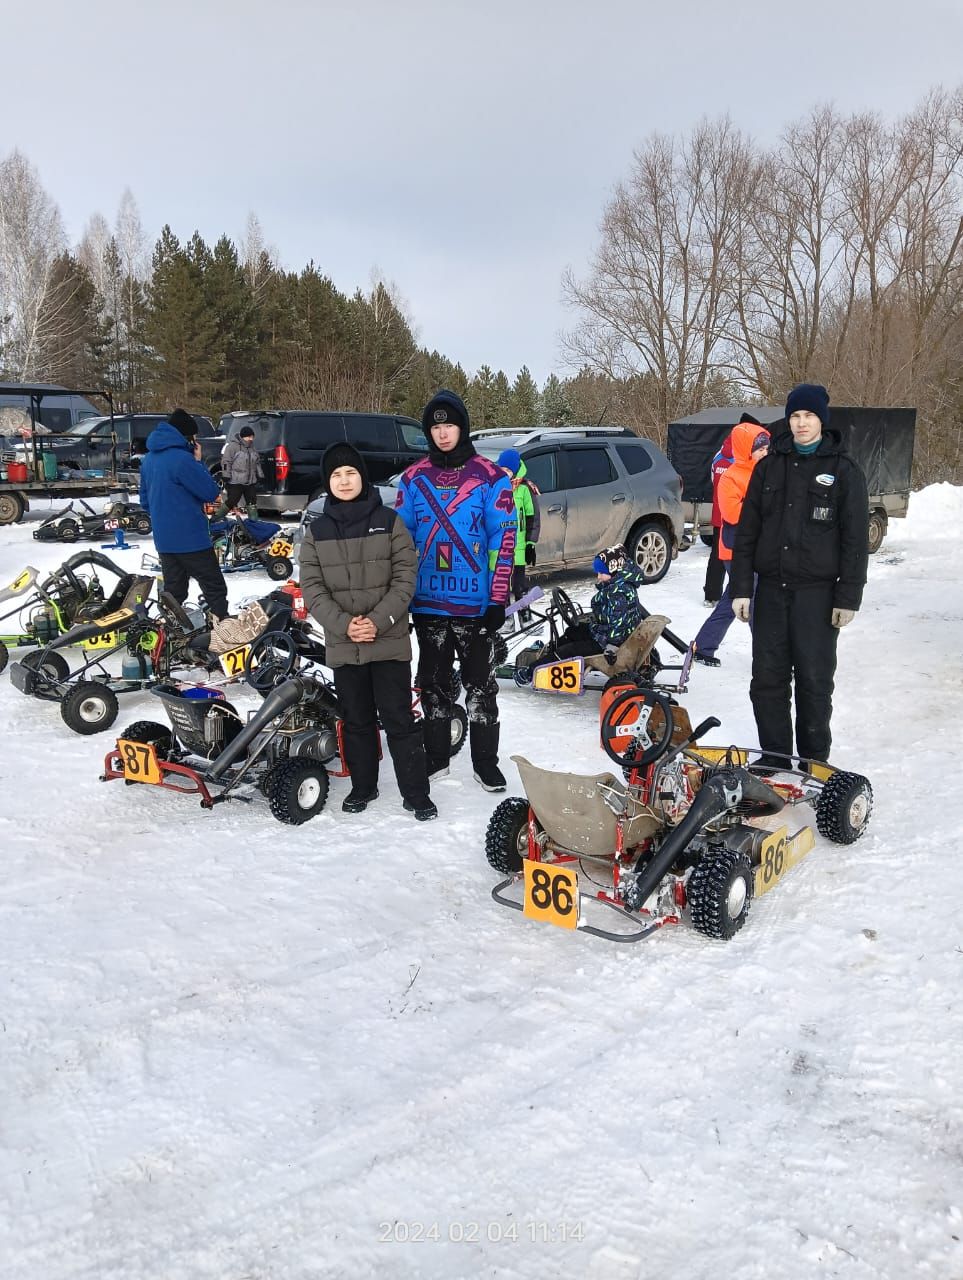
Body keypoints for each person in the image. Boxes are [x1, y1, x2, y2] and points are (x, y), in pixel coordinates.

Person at [730, 383, 869, 769]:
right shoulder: (769, 466)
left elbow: (854, 541)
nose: (801, 423)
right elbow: (748, 532)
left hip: (818, 596)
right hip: (772, 592)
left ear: (821, 420)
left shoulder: (844, 471)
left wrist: (848, 597)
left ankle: (813, 762)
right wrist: (741, 587)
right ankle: (775, 760)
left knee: (814, 681)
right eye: (795, 416)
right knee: (767, 681)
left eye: (808, 416)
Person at [299, 443, 436, 820]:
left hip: (388, 642)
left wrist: (377, 621)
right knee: (356, 721)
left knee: (399, 720)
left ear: (362, 477)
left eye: (351, 473)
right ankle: (363, 786)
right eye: (336, 475)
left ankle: (415, 792)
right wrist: (345, 625)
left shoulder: (390, 522)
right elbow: (312, 588)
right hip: (345, 645)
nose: (344, 481)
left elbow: (405, 578)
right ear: (328, 482)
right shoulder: (317, 531)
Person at [395, 389, 516, 791]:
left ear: (462, 426)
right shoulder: (412, 480)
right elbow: (399, 541)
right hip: (427, 603)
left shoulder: (492, 477)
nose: (442, 433)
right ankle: (437, 756)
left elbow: (505, 540)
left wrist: (498, 598)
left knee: (480, 684)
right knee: (432, 682)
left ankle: (485, 761)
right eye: (435, 426)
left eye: (449, 424)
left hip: (476, 606)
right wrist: (401, 596)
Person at [138, 408, 231, 621]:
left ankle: (170, 632)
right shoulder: (183, 460)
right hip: (191, 539)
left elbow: (145, 502)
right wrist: (198, 462)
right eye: (194, 438)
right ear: (187, 438)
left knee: (174, 591)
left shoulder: (149, 459)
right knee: (214, 586)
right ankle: (221, 628)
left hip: (164, 540)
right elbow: (210, 492)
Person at [692, 423, 770, 666]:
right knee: (754, 598)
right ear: (746, 449)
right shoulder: (731, 477)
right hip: (735, 550)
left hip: (756, 547)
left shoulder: (764, 471)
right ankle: (767, 659)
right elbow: (733, 514)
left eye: (767, 448)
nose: (764, 452)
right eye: (759, 449)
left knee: (732, 599)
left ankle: (703, 646)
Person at [554, 544, 649, 662]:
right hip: (606, 631)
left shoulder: (617, 594)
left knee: (566, 651)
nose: (598, 576)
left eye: (601, 573)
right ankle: (551, 652)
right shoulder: (620, 585)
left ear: (614, 569)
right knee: (572, 631)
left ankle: (534, 669)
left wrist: (612, 646)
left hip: (609, 642)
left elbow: (618, 623)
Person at [494, 447, 539, 616]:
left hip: (519, 546)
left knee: (519, 585)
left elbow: (532, 517)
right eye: (502, 469)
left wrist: (530, 543)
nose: (505, 473)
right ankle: (506, 618)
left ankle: (525, 615)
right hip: (499, 546)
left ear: (515, 470)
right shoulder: (495, 487)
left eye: (508, 470)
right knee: (501, 584)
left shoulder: (524, 489)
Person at [703, 430, 736, 606]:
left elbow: (712, 480)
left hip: (719, 515)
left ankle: (711, 595)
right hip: (737, 515)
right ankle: (740, 594)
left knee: (716, 556)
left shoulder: (719, 453)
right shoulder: (742, 456)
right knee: (739, 556)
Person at [218, 425, 263, 516]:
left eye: (252, 437)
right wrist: (226, 475)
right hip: (235, 481)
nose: (251, 439)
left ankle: (254, 523)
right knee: (232, 500)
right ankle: (217, 518)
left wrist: (260, 475)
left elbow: (257, 463)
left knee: (252, 502)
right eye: (249, 436)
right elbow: (226, 461)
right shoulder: (232, 446)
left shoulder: (252, 448)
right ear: (243, 436)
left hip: (250, 481)